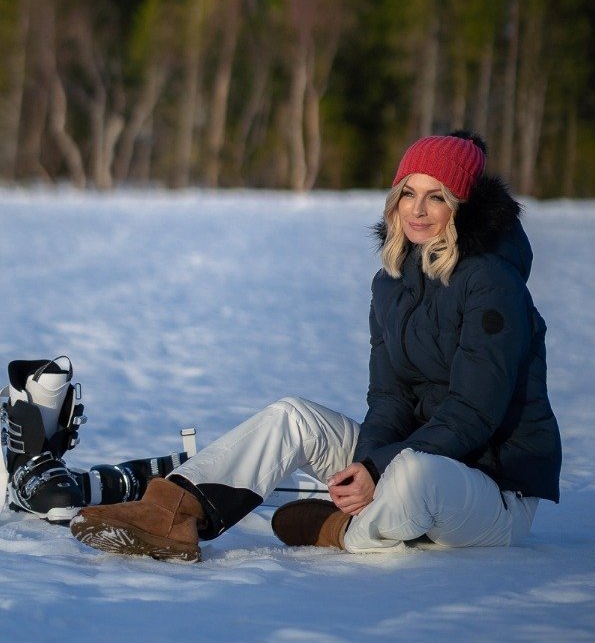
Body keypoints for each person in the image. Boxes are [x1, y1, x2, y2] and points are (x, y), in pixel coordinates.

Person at [70, 131, 562, 562]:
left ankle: (342, 531)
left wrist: (377, 469)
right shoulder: (390, 283)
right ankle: (172, 513)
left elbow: (475, 412)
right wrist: (365, 466)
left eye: (435, 197)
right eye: (407, 193)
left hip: (489, 490)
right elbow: (388, 398)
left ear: (462, 206)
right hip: (403, 459)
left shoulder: (493, 283)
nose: (416, 209)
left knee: (414, 471)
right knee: (293, 416)